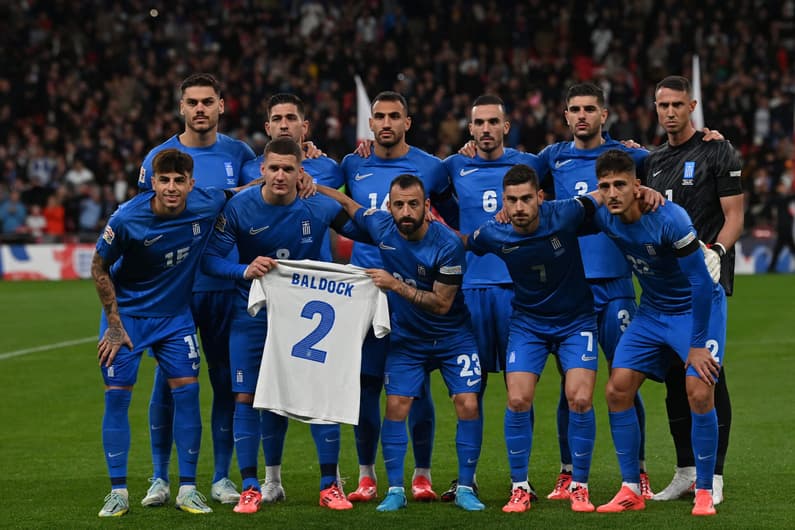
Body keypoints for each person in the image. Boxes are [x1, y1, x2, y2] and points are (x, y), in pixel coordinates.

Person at [201, 137, 365, 514]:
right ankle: (249, 487)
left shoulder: (319, 206)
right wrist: (243, 269)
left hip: (304, 318)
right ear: (261, 170)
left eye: (288, 169)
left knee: (320, 394)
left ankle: (329, 485)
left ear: (299, 173)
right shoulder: (239, 207)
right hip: (252, 315)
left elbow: (367, 233)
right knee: (245, 396)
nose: (279, 175)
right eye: (273, 168)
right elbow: (210, 260)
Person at [317, 174, 485, 512]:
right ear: (389, 207)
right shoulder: (381, 227)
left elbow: (441, 304)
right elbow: (349, 205)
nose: (405, 211)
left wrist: (395, 285)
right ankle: (395, 489)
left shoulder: (447, 245)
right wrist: (310, 185)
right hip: (407, 339)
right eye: (398, 205)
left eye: (412, 204)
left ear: (426, 206)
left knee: (467, 403)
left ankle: (466, 487)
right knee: (396, 406)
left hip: (453, 336)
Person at [137, 73, 256, 507]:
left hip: (224, 286)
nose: (200, 109)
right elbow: (143, 221)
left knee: (225, 381)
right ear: (181, 107)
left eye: (208, 101)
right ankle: (159, 478)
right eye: (192, 102)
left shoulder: (240, 153)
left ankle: (222, 477)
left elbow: (262, 189)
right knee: (168, 382)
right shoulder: (160, 157)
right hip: (176, 291)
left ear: (222, 105)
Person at [92, 149, 230, 517]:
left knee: (188, 395)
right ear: (152, 182)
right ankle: (118, 492)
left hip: (174, 318)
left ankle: (187, 489)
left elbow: (244, 191)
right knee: (117, 398)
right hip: (128, 318)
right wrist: (115, 325)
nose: (171, 187)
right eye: (164, 180)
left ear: (191, 183)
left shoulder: (207, 201)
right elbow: (99, 266)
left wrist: (303, 176)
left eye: (179, 180)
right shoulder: (126, 218)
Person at [535, 83, 653, 500]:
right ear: (565, 115)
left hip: (617, 286)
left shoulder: (632, 157)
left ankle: (638, 473)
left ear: (605, 114)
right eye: (574, 109)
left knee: (625, 380)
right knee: (573, 385)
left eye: (590, 109)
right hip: (570, 289)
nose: (582, 115)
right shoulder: (552, 158)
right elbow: (507, 173)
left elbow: (674, 162)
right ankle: (568, 472)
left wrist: (708, 137)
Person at [591, 149, 724, 517]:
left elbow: (699, 282)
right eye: (606, 186)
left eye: (621, 184)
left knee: (698, 390)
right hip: (651, 311)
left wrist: (697, 346)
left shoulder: (670, 219)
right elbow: (573, 207)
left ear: (638, 185)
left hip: (696, 308)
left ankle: (703, 490)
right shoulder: (603, 213)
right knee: (617, 389)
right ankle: (631, 488)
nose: (613, 192)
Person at [341, 91, 459, 503]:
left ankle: (422, 475)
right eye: (379, 116)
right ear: (370, 124)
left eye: (395, 116)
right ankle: (367, 475)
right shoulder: (352, 163)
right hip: (364, 290)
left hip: (412, 291)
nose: (386, 122)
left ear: (408, 122)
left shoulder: (433, 168)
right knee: (366, 384)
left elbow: (449, 221)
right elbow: (342, 211)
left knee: (417, 384)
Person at [462, 164, 600, 513]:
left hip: (576, 321)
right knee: (518, 399)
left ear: (540, 197)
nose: (519, 207)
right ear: (503, 203)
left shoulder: (565, 213)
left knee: (580, 398)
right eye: (512, 201)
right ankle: (519, 487)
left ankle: (579, 487)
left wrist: (639, 191)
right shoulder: (495, 232)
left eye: (526, 198)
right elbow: (467, 242)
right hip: (528, 324)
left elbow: (601, 197)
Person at [239, 93, 344, 503]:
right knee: (269, 393)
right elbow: (241, 194)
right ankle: (271, 480)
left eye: (291, 118)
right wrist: (274, 176)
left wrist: (318, 184)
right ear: (267, 129)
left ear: (306, 126)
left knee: (321, 392)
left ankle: (331, 479)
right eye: (276, 119)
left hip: (319, 296)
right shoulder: (254, 169)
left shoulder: (332, 167)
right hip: (269, 297)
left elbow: (347, 212)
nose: (284, 125)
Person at [643, 76, 743, 506]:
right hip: (665, 289)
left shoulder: (718, 149)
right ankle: (686, 469)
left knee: (707, 378)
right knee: (671, 379)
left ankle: (713, 473)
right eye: (662, 105)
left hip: (706, 282)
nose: (669, 112)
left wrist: (717, 251)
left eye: (677, 105)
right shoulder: (651, 160)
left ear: (692, 106)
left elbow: (735, 213)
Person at [441, 94, 544, 502]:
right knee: (470, 390)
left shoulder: (530, 165)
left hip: (518, 292)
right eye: (478, 123)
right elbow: (414, 181)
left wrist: (627, 148)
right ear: (470, 129)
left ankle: (522, 481)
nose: (485, 129)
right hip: (469, 292)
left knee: (520, 390)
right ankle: (466, 480)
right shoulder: (452, 166)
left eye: (492, 122)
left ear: (506, 126)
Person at [766, 178, 795, 272]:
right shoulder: (777, 198)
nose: (783, 188)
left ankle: (771, 267)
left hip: (786, 227)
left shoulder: (783, 198)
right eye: (782, 187)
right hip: (783, 228)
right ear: (778, 188)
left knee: (779, 249)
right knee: (780, 249)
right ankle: (771, 267)